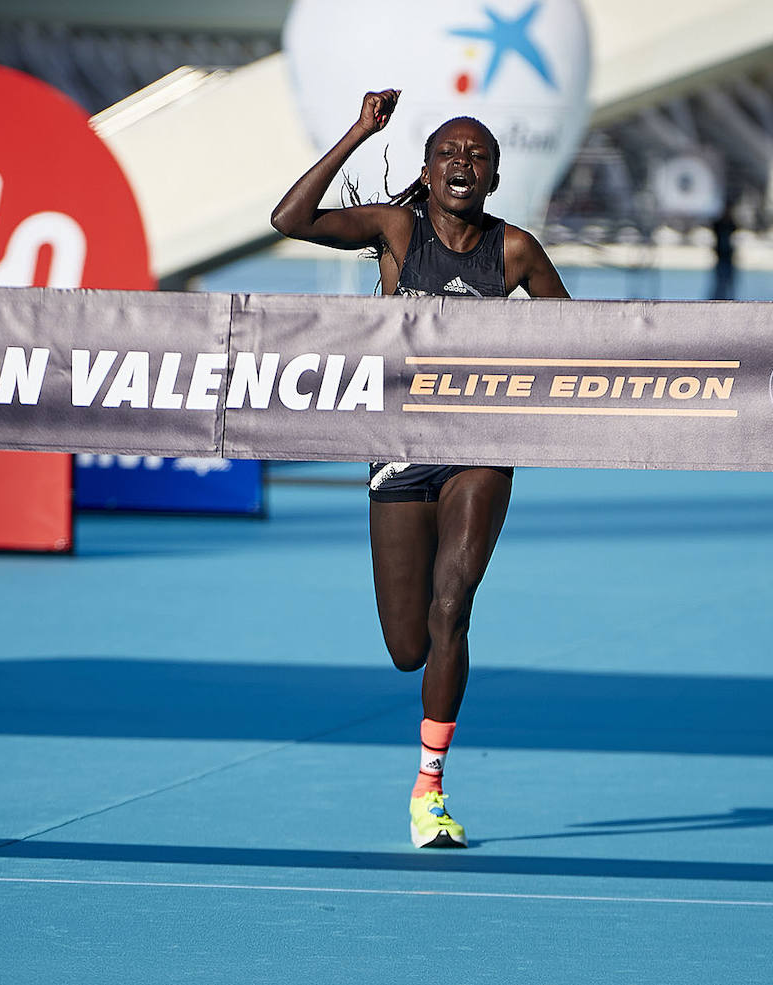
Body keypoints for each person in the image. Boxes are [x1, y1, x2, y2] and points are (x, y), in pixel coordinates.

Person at [271, 89, 569, 848]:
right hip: (398, 450)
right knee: (409, 646)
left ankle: (429, 787)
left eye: (477, 156)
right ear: (429, 174)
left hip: (479, 448)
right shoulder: (396, 230)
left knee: (452, 602)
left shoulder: (515, 250)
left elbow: (580, 341)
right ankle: (428, 747)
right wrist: (359, 131)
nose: (462, 163)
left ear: (494, 178)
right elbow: (289, 220)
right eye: (448, 154)